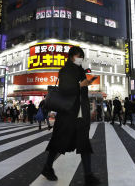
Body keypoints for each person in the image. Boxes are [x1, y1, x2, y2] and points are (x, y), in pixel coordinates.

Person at [41, 46, 100, 185]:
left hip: (79, 113)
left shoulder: (79, 70)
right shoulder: (66, 70)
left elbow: (81, 93)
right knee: (58, 143)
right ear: (71, 56)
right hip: (68, 114)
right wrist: (81, 85)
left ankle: (88, 175)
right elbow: (65, 90)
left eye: (82, 57)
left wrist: (86, 84)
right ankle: (47, 167)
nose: (81, 59)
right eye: (79, 56)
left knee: (84, 143)